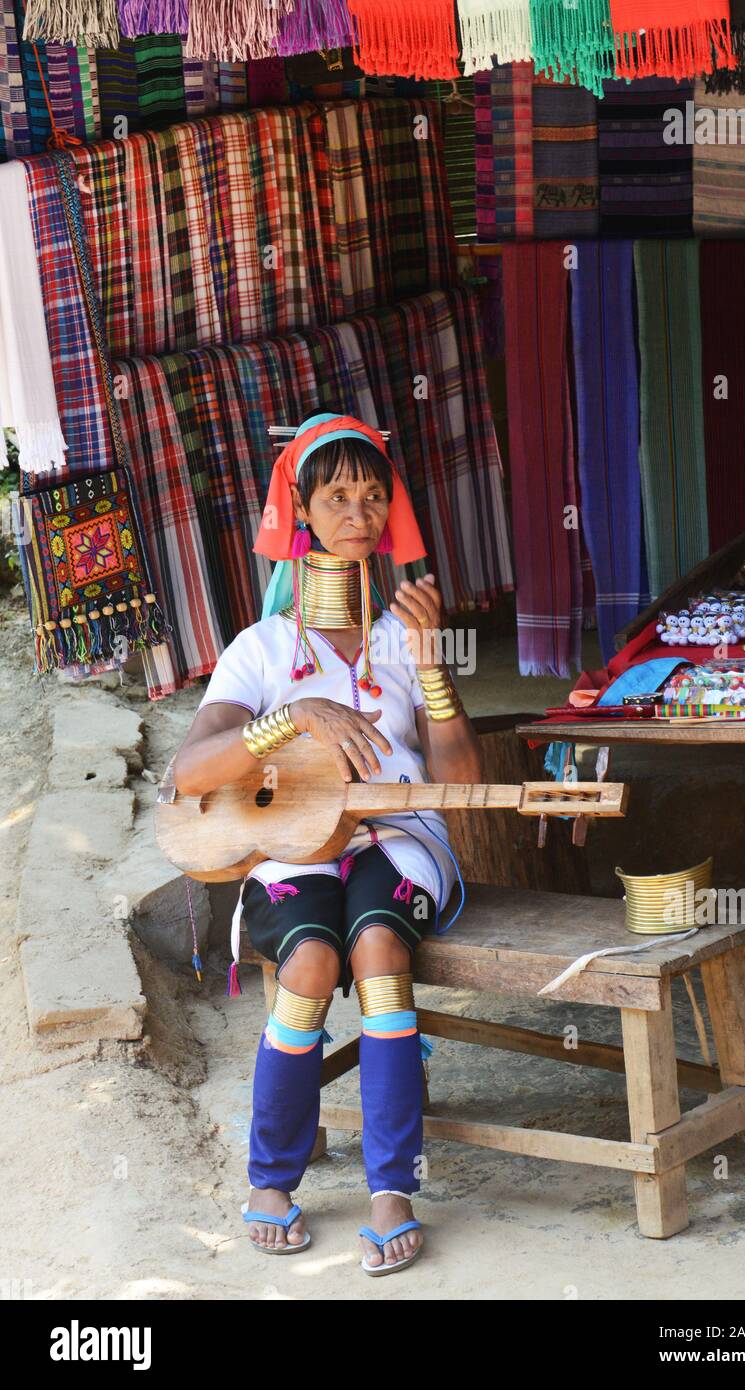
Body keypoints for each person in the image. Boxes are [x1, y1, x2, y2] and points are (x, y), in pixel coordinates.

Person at [172, 412, 483, 1276]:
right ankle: (270, 1179)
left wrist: (430, 669)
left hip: (402, 840)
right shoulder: (261, 649)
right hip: (295, 851)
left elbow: (458, 780)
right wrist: (292, 718)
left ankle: (392, 1189)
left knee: (380, 946)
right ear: (301, 510)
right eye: (339, 495)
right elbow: (193, 770)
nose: (361, 512)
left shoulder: (402, 636)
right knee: (310, 964)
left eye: (375, 495)